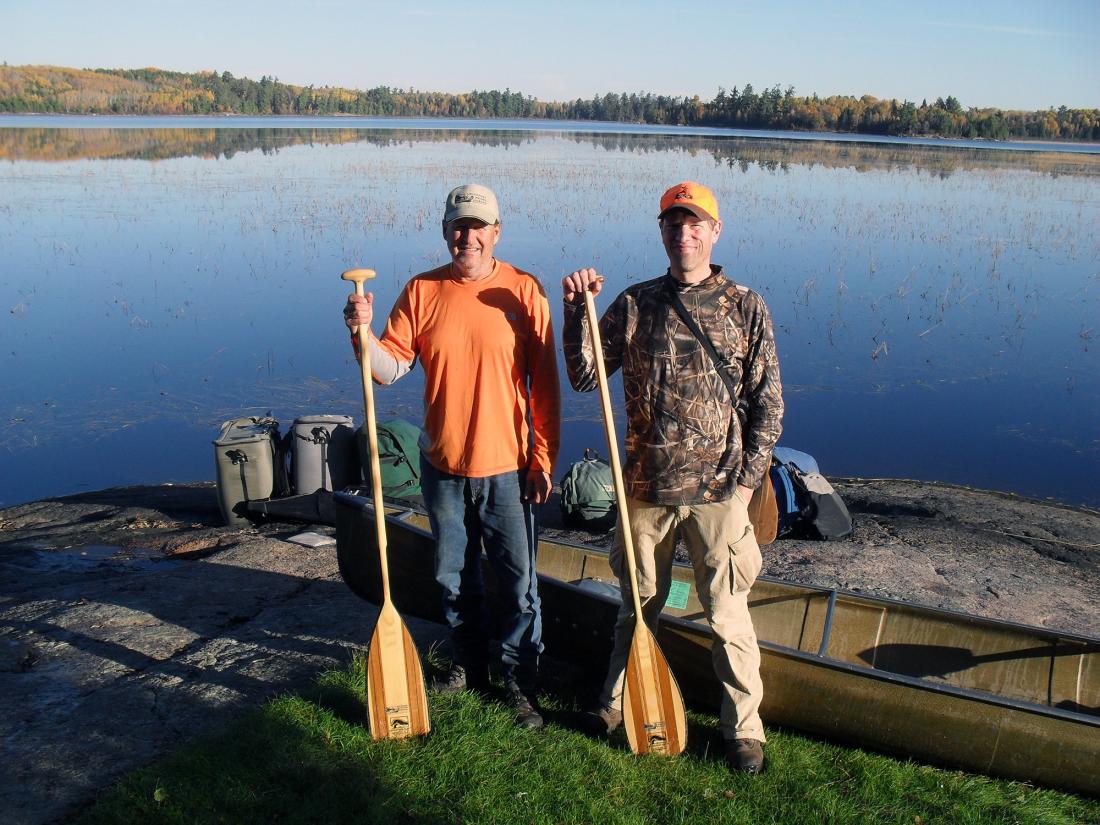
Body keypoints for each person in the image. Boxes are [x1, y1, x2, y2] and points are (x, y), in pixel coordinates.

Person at [560, 181, 783, 772]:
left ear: (714, 232)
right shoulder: (635, 304)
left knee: (727, 615)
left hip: (718, 493)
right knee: (636, 607)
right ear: (662, 232)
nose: (683, 232)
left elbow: (769, 405)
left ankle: (744, 732)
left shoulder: (744, 306)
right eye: (672, 222)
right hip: (644, 491)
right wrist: (573, 308)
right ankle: (612, 704)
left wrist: (744, 485)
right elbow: (585, 377)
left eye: (694, 222)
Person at [343, 184, 560, 729]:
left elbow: (546, 389)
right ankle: (470, 664)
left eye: (479, 226)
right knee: (452, 576)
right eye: (459, 226)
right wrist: (361, 332)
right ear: (446, 231)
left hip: (508, 467)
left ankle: (519, 680)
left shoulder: (525, 291)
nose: (468, 237)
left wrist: (543, 460)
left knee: (518, 581)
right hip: (442, 467)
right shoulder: (422, 292)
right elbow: (388, 369)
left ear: (496, 233)